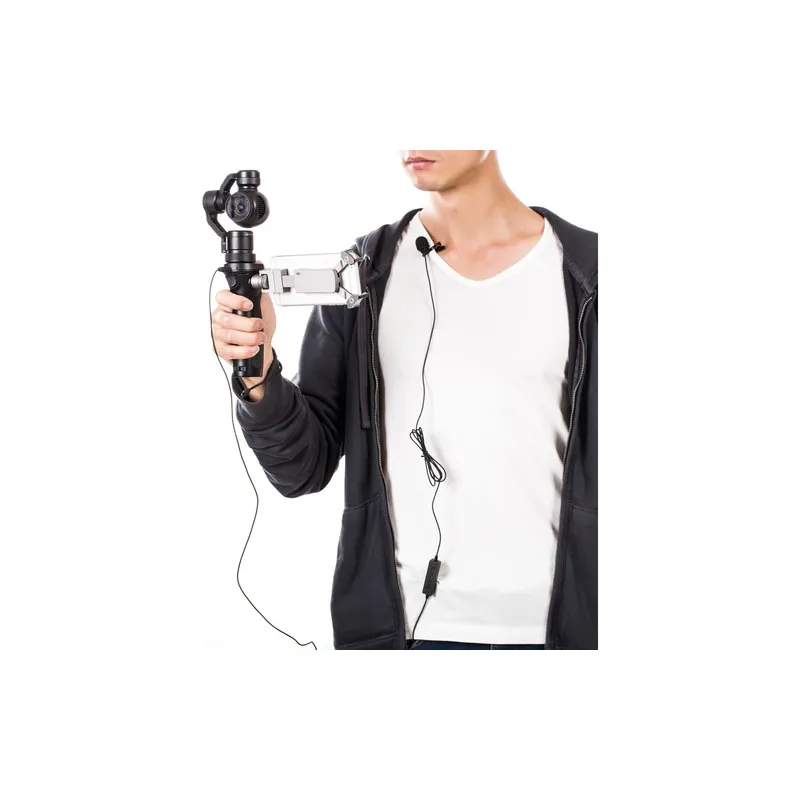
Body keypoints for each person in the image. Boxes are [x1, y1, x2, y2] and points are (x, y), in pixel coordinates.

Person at [211, 150, 597, 650]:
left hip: (570, 631)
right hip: (408, 634)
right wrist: (260, 373)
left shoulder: (590, 274)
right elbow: (302, 468)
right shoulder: (365, 274)